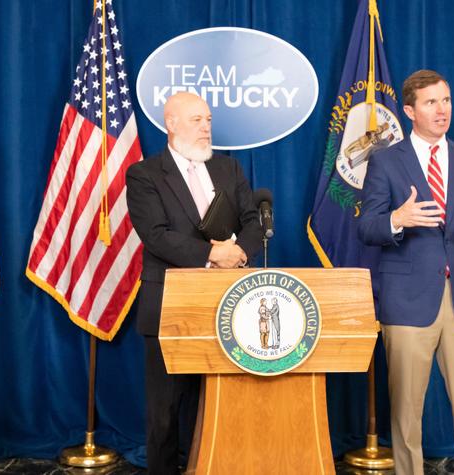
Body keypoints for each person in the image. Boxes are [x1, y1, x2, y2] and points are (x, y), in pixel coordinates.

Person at [357, 70, 454, 475]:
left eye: (446, 101)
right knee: (407, 413)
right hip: (407, 303)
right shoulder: (386, 163)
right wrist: (397, 218)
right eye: (430, 103)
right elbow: (367, 227)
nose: (442, 110)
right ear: (409, 110)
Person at [126, 92, 262, 474]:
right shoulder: (145, 174)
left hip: (230, 305)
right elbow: (155, 235)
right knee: (166, 416)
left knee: (223, 406)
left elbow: (252, 222)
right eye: (197, 120)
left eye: (208, 120)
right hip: (170, 307)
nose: (206, 127)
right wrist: (212, 254)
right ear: (171, 124)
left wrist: (240, 254)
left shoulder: (228, 169)